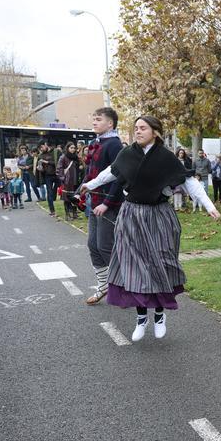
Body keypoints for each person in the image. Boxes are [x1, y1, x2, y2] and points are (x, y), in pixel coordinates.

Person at [79, 115, 219, 342]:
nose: (138, 132)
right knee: (135, 267)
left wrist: (209, 205)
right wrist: (89, 184)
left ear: (155, 131)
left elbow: (188, 182)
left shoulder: (166, 157)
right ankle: (141, 318)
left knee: (160, 263)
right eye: (135, 128)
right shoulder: (127, 154)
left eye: (143, 128)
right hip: (131, 216)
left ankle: (160, 315)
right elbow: (110, 172)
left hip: (159, 216)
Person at [83, 107, 124, 305]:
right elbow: (91, 173)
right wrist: (80, 193)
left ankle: (123, 288)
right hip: (94, 202)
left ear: (110, 123)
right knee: (92, 245)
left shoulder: (115, 144)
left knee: (105, 246)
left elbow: (120, 176)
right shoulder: (95, 142)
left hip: (109, 204)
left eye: (98, 119)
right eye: (94, 119)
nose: (94, 122)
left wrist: (107, 203)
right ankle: (104, 286)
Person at [57, 142, 82, 220]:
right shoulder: (63, 157)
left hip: (75, 180)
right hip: (67, 181)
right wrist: (63, 178)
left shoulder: (76, 157)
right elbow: (59, 169)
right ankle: (67, 215)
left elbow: (78, 168)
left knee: (75, 198)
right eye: (71, 148)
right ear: (67, 148)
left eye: (74, 148)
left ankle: (74, 214)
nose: (73, 149)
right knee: (67, 199)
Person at [36, 140, 59, 216]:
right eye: (40, 148)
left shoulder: (56, 152)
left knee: (61, 191)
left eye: (41, 147)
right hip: (47, 176)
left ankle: (70, 210)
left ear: (46, 144)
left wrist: (47, 162)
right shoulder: (41, 155)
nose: (41, 149)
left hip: (57, 175)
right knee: (49, 193)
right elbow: (41, 168)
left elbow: (59, 163)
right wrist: (40, 168)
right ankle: (52, 210)